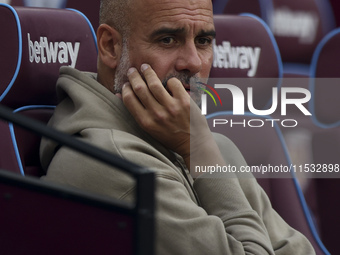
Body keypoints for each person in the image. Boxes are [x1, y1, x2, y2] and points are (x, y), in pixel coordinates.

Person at [40, 0, 315, 254]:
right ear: (111, 46)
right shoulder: (110, 164)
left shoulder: (213, 144)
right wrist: (200, 151)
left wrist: (200, 147)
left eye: (204, 41)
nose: (194, 62)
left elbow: (301, 249)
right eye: (168, 39)